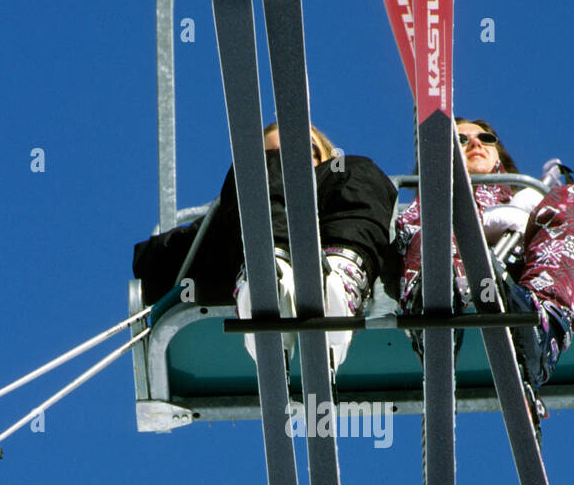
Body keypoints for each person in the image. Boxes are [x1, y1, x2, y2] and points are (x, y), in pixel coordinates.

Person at [393, 118, 574, 389]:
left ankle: (541, 332)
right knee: (437, 215)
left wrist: (537, 218)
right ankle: (435, 305)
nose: (475, 143)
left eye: (485, 139)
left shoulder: (541, 207)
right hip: (445, 286)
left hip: (519, 292)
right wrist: (482, 226)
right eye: (461, 140)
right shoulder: (423, 207)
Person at [133, 122, 398, 370]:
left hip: (334, 242)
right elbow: (156, 265)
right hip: (236, 261)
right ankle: (266, 273)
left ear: (324, 159)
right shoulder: (226, 217)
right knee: (256, 173)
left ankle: (340, 278)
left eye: (305, 153)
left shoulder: (346, 176)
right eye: (272, 155)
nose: (285, 163)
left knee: (358, 169)